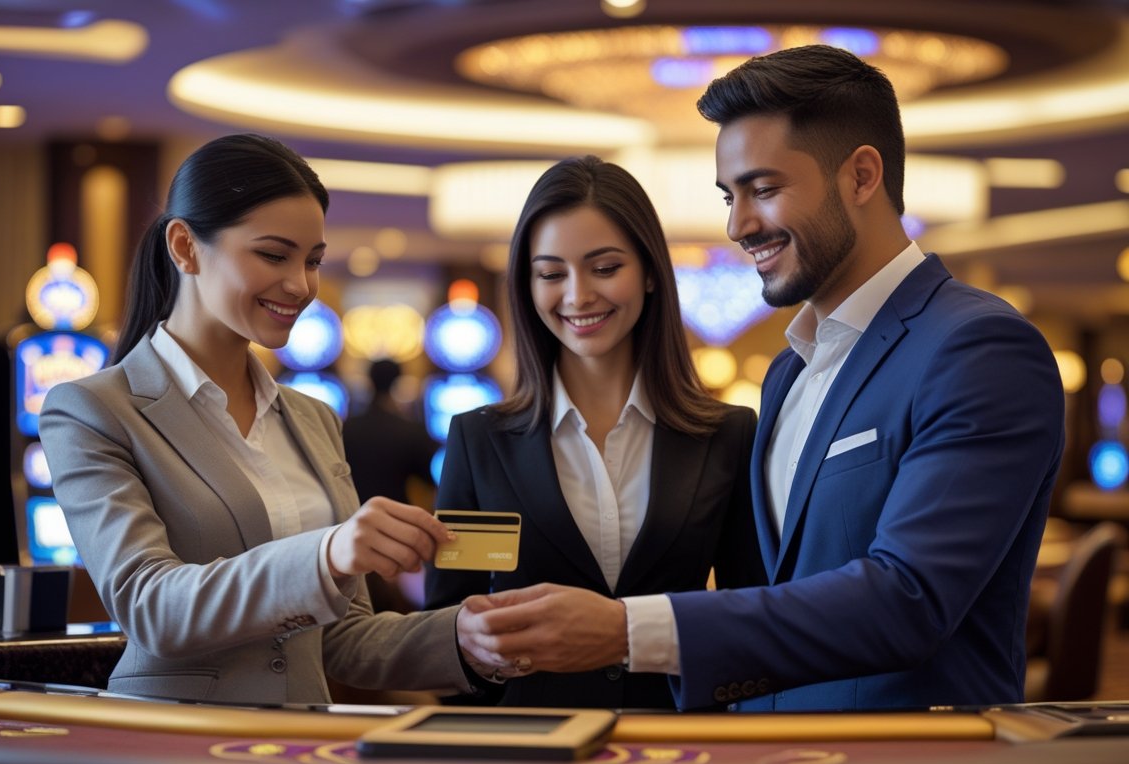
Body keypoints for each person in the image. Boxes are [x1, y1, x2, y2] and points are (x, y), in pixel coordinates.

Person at [456, 45, 1066, 712]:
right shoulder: (787, 371)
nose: (737, 225)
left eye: (764, 189)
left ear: (862, 175)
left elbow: (908, 600)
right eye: (730, 195)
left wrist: (626, 630)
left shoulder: (976, 346)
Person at [39, 133, 487, 705]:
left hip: (292, 749)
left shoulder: (314, 418)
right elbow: (149, 608)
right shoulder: (93, 410)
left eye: (314, 261)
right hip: (169, 746)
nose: (301, 285)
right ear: (185, 246)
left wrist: (467, 635)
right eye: (274, 255)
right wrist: (327, 554)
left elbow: (342, 642)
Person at [426, 155, 762, 709]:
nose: (578, 296)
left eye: (605, 268)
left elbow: (749, 616)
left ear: (651, 272)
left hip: (679, 753)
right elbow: (448, 635)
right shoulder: (480, 441)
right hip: (527, 759)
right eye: (552, 273)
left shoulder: (727, 434)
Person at [343, 359, 439, 507]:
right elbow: (433, 480)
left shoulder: (345, 428)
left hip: (352, 517)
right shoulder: (410, 431)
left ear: (369, 381)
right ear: (397, 382)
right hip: (396, 516)